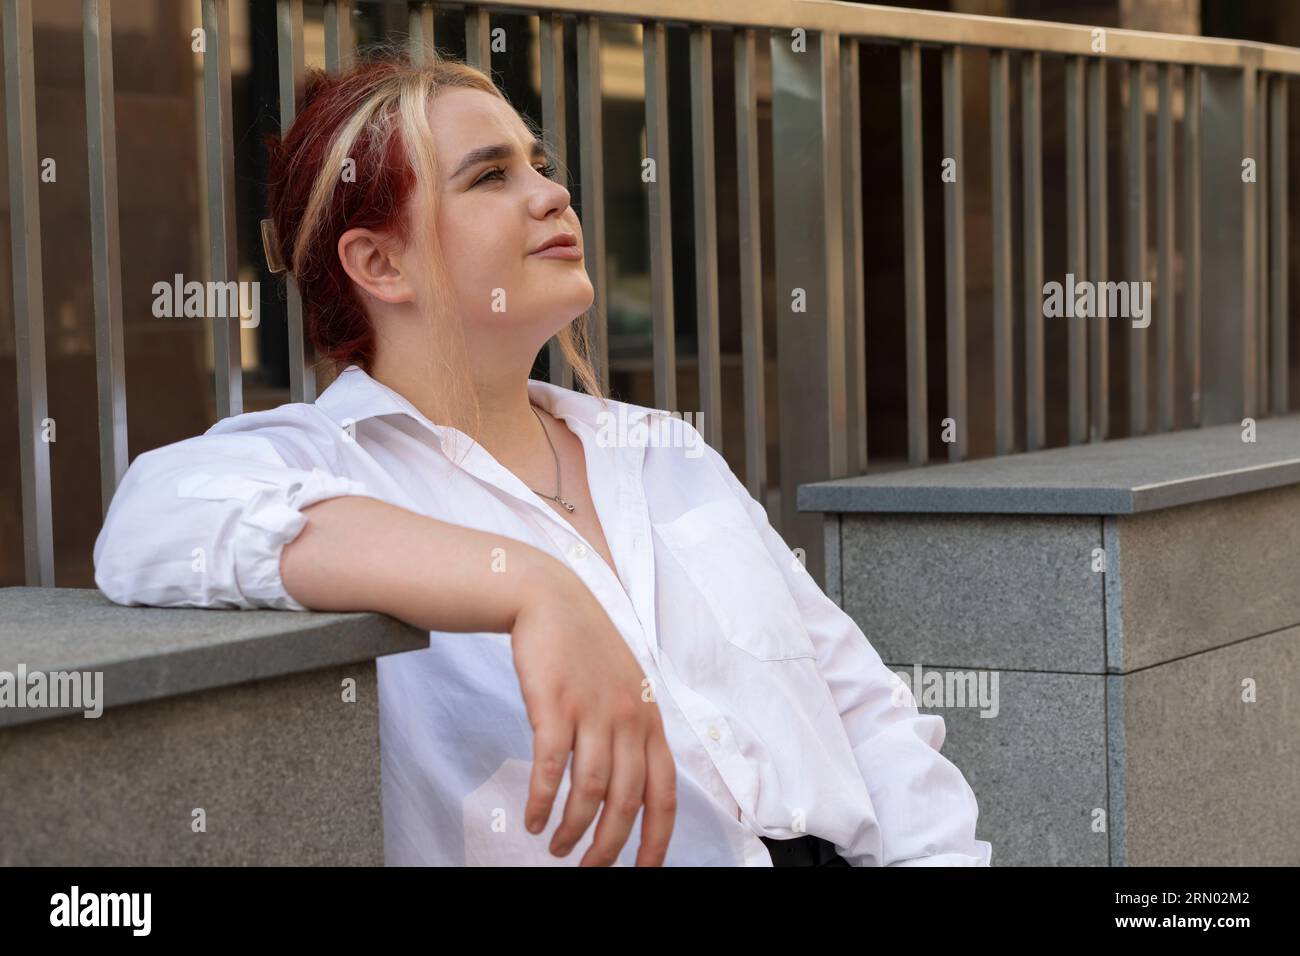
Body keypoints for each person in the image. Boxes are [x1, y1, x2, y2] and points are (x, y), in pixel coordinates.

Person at [93, 51, 991, 868]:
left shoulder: (662, 449)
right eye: (490, 176)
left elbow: (868, 716)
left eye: (540, 165)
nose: (553, 195)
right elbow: (155, 518)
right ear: (380, 261)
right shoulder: (339, 463)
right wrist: (533, 585)